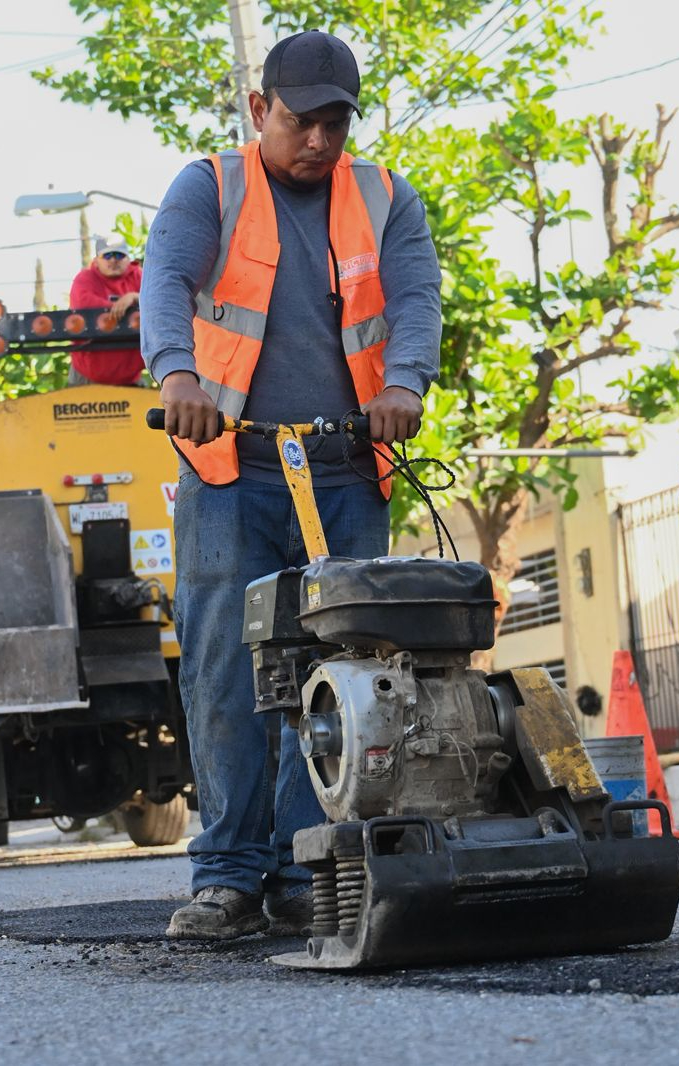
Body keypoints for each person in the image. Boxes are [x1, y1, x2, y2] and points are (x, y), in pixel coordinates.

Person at [141, 30, 441, 940]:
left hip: (347, 471)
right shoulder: (211, 187)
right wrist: (176, 376)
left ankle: (305, 866)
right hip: (233, 470)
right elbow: (168, 278)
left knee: (339, 674)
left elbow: (418, 298)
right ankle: (227, 876)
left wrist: (405, 385)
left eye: (335, 123)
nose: (318, 140)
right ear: (257, 109)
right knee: (229, 669)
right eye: (300, 120)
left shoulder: (386, 197)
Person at [67, 233, 144, 386]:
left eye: (119, 255)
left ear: (128, 259)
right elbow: (85, 305)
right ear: (96, 260)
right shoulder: (85, 278)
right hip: (86, 378)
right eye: (107, 255)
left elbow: (157, 301)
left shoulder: (138, 276)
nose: (114, 260)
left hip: (130, 378)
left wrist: (135, 297)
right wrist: (124, 309)